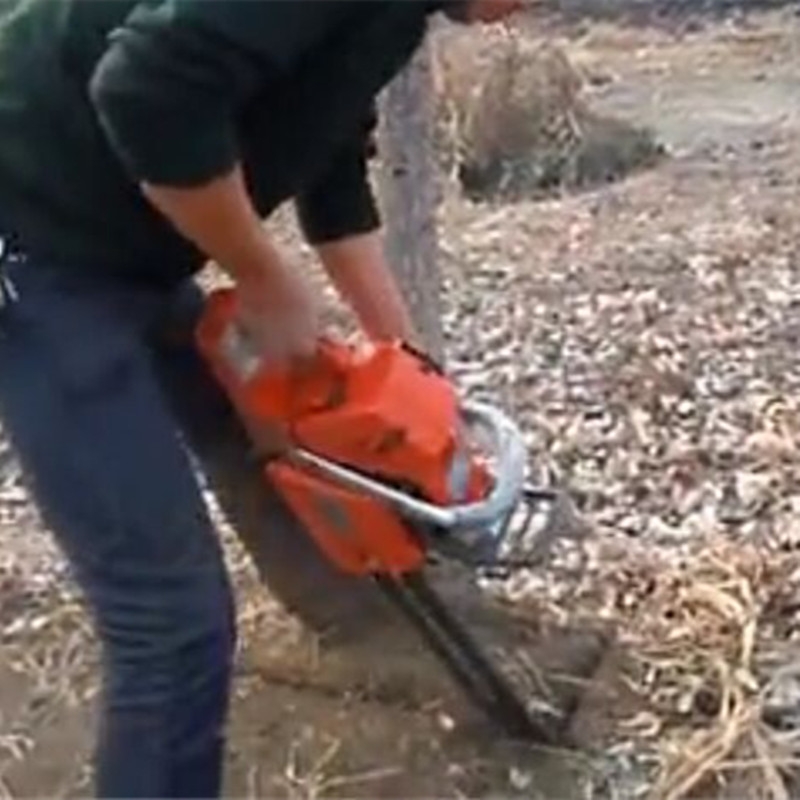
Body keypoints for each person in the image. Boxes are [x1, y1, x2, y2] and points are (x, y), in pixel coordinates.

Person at [0, 0, 522, 796]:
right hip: (31, 238)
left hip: (116, 244)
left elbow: (331, 164)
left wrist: (410, 365)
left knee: (273, 437)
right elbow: (146, 88)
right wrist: (264, 274)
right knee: (170, 621)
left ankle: (373, 630)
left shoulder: (394, 16)